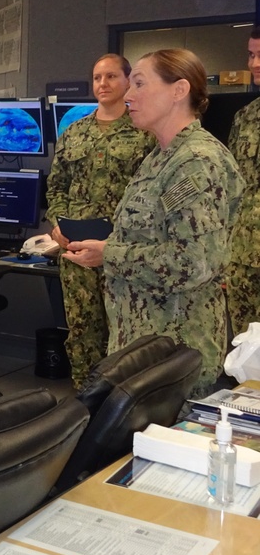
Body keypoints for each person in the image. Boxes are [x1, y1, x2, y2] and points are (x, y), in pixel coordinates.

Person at [63, 48, 242, 397]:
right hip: (142, 346)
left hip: (173, 353)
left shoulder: (195, 162)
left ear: (179, 91)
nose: (128, 95)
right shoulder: (161, 157)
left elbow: (192, 263)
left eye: (140, 84)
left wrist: (109, 254)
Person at [46, 54, 154, 387]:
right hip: (75, 249)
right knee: (82, 330)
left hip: (123, 251)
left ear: (128, 81)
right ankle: (86, 400)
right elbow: (56, 185)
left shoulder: (145, 132)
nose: (102, 85)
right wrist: (57, 225)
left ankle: (122, 405)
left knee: (126, 333)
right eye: (96, 78)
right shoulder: (74, 132)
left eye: (110, 77)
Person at [225, 26, 260, 336]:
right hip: (243, 257)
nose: (254, 64)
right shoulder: (245, 117)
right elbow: (232, 186)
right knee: (244, 347)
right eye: (251, 55)